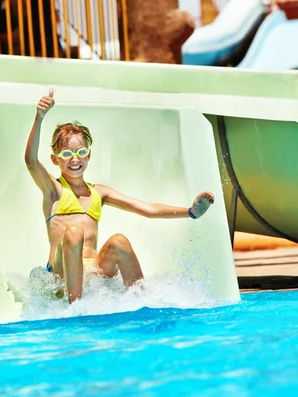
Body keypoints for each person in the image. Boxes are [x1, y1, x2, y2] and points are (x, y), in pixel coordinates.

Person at [24, 88, 215, 303]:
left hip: (92, 275)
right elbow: (31, 161)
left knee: (119, 241)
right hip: (61, 277)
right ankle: (75, 309)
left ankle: (142, 301)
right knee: (74, 232)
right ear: (54, 159)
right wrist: (39, 118)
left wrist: (190, 212)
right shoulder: (53, 190)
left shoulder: (99, 192)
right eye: (67, 154)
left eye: (81, 153)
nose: (74, 160)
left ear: (89, 155)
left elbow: (147, 209)